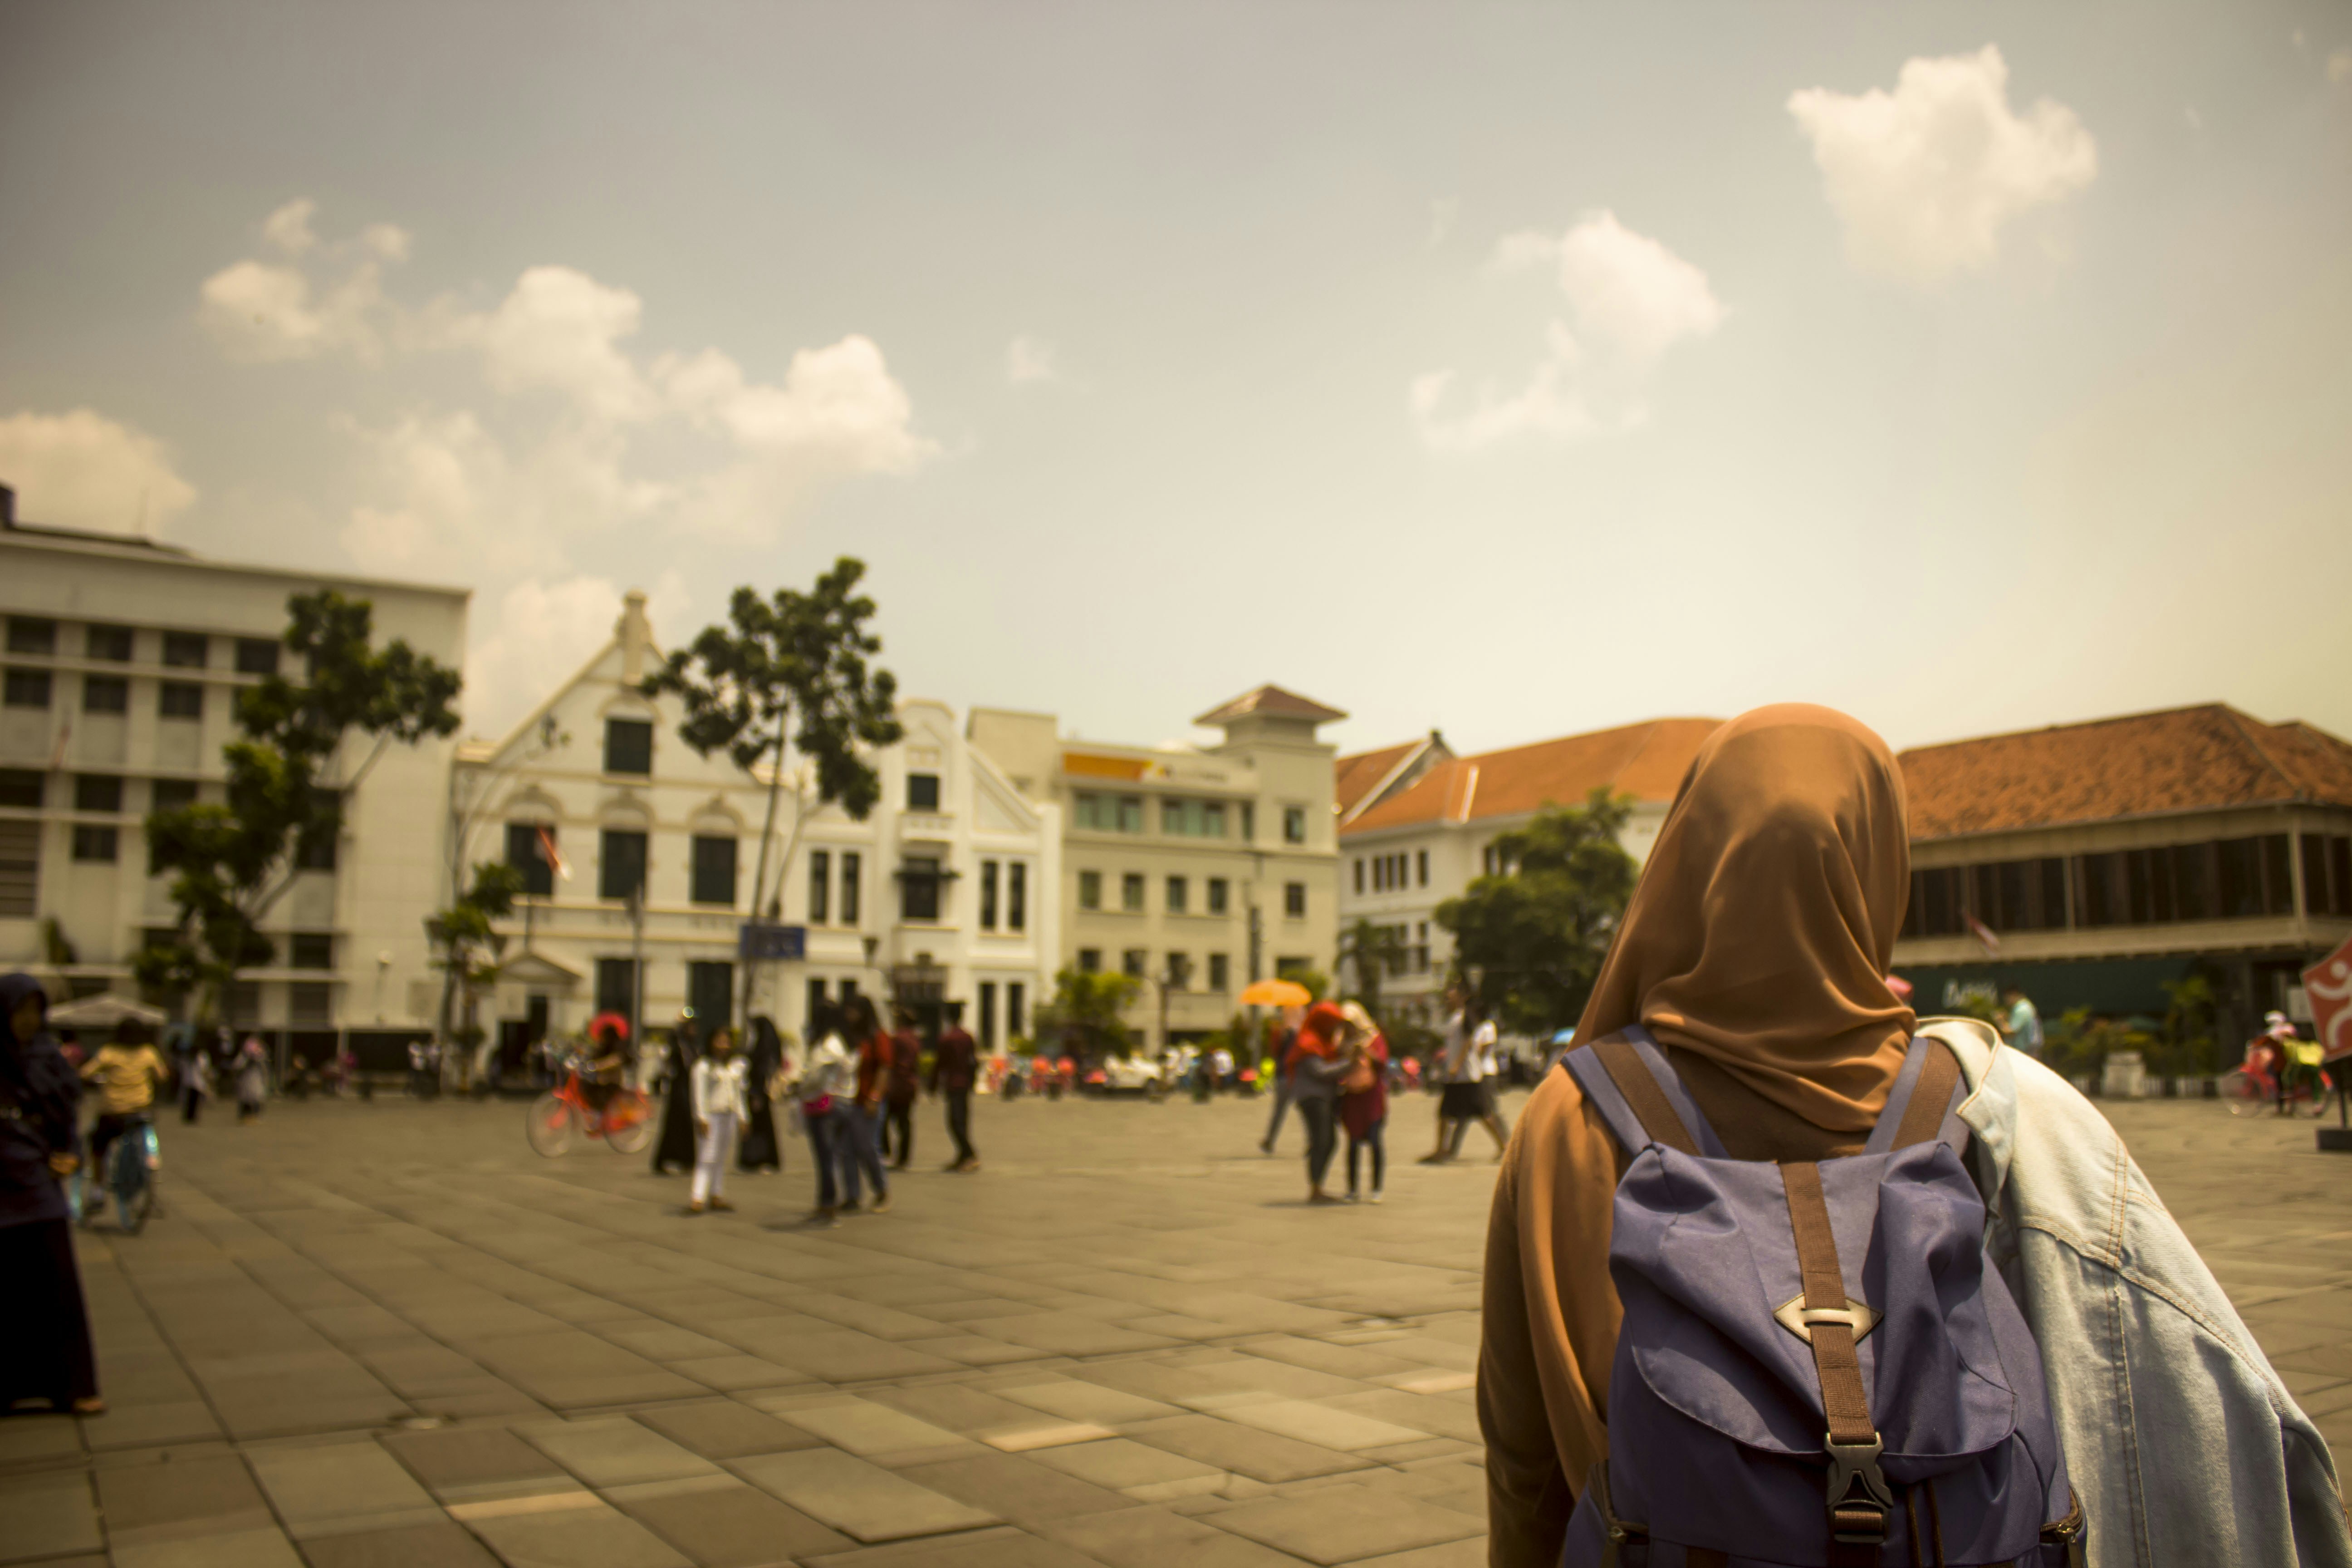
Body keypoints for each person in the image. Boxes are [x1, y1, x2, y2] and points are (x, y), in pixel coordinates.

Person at [1478, 704, 2352, 1568]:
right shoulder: (1993, 1109)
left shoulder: (1568, 1117)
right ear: (1877, 864)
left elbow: (1523, 1458)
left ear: (1685, 861)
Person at [0, 974, 103, 1415]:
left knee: (57, 1287)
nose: (28, 1020)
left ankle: (74, 1387)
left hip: (39, 1187)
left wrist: (71, 1155)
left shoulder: (47, 1059)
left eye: (35, 1011)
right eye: (19, 1011)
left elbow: (67, 1119)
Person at [77, 1020, 168, 1220]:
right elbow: (162, 1076)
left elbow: (86, 1072)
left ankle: (98, 1191)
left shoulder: (109, 1053)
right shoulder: (148, 1053)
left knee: (98, 1148)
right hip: (141, 1111)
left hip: (113, 1112)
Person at [792, 1001, 855, 1226]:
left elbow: (815, 1077)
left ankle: (828, 1205)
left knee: (826, 1159)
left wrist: (799, 1087)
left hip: (825, 1106)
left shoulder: (827, 1046)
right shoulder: (839, 1043)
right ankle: (825, 1204)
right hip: (840, 1103)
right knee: (830, 1157)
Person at [1286, 1002, 1352, 1203]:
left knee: (1329, 1141)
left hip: (1323, 1098)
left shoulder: (1323, 1041)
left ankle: (1318, 1186)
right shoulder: (1308, 1042)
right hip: (1313, 1098)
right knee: (1322, 1141)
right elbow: (1320, 1071)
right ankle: (1315, 1189)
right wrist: (1349, 1063)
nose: (1334, 1028)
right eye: (1332, 1023)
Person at [838, 995, 892, 1213]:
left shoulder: (877, 1037)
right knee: (846, 1149)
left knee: (868, 1147)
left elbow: (884, 1067)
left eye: (854, 1011)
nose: (850, 1015)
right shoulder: (848, 1037)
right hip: (847, 1100)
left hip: (867, 1101)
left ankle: (881, 1191)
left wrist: (875, 1096)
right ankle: (852, 1196)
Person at [687, 1026, 746, 1215]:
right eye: (719, 1041)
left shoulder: (734, 1066)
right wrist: (701, 1117)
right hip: (711, 1116)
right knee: (707, 1156)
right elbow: (699, 1094)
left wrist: (744, 1117)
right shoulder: (703, 1066)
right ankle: (698, 1197)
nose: (723, 1046)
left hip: (728, 1116)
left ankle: (716, 1194)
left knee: (721, 1156)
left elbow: (738, 1094)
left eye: (726, 1042)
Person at [1337, 1001, 1389, 1203]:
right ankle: (1352, 1189)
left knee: (1375, 1141)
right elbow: (1337, 1064)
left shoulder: (1374, 1038)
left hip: (1372, 1098)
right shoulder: (1342, 1041)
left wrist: (1366, 1052)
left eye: (1351, 1024)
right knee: (1353, 1144)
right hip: (1352, 1098)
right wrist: (1349, 1053)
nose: (1348, 1028)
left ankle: (1377, 1188)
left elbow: (1382, 1064)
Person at [1445, 1001, 1510, 1160]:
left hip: (1485, 1072)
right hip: (1473, 1073)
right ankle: (1452, 1149)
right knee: (1466, 1114)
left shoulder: (1487, 1027)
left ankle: (1506, 1143)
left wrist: (1468, 1060)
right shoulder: (1474, 1027)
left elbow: (1483, 1049)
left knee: (1487, 1110)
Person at [930, 1000, 980, 1172]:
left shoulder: (947, 1039)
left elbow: (940, 1064)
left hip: (953, 1083)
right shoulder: (968, 1037)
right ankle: (962, 1157)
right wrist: (972, 1081)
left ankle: (970, 1155)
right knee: (962, 1121)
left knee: (954, 1122)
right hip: (965, 1083)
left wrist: (933, 1086)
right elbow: (973, 1062)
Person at [736, 1016, 784, 1173]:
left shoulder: (763, 1049)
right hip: (758, 1093)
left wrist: (756, 1094)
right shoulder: (766, 1046)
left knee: (758, 1128)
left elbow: (760, 1074)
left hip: (758, 1093)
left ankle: (758, 1158)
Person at [651, 1020, 699, 1175]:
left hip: (689, 1088)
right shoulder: (676, 1046)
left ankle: (686, 1160)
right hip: (677, 1090)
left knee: (687, 1127)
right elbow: (667, 1067)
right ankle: (665, 1160)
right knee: (673, 1127)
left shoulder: (692, 1046)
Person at [880, 1007, 921, 1169]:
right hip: (909, 1084)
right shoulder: (915, 1039)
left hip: (895, 1084)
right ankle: (904, 1158)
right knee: (905, 1122)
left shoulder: (897, 1038)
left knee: (883, 1121)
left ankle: (886, 1152)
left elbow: (889, 1061)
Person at [1258, 1009, 1301, 1152]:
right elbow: (1275, 1052)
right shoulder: (1288, 1034)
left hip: (1289, 1075)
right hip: (1289, 1076)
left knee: (1282, 1111)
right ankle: (1270, 1140)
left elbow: (1277, 1053)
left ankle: (1270, 1140)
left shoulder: (1292, 1035)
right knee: (1299, 1110)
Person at [2000, 985, 2044, 1058]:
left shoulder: (2021, 1010)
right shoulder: (2026, 1006)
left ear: (2013, 995)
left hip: (2026, 1052)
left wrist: (2000, 1020)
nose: (2006, 1001)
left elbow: (2011, 1033)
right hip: (2028, 1050)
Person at [234, 1034, 268, 1121]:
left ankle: (255, 1115)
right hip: (246, 1081)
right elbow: (237, 1067)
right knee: (246, 1098)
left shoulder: (259, 1058)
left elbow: (264, 1069)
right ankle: (245, 1116)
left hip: (256, 1081)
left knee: (257, 1098)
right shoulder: (243, 1057)